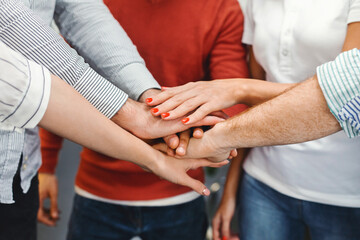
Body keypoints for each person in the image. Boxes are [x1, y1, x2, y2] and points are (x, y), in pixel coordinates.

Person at [0, 0, 224, 239]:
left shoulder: (218, 8)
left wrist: (151, 100)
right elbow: (28, 71)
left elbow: (81, 11)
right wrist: (130, 114)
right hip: (94, 185)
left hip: (19, 165)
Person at [149, 1, 360, 239]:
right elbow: (255, 108)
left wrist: (239, 89)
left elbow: (351, 89)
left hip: (346, 194)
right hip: (262, 185)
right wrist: (230, 192)